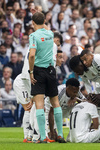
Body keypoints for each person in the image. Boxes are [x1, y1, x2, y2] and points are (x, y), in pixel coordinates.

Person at [28, 12, 65, 143]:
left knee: (39, 104)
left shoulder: (33, 36)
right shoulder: (50, 34)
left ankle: (43, 137)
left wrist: (31, 71)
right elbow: (46, 27)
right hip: (51, 71)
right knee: (55, 103)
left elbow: (32, 55)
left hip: (38, 71)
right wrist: (40, 18)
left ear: (32, 23)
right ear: (44, 21)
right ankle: (60, 134)